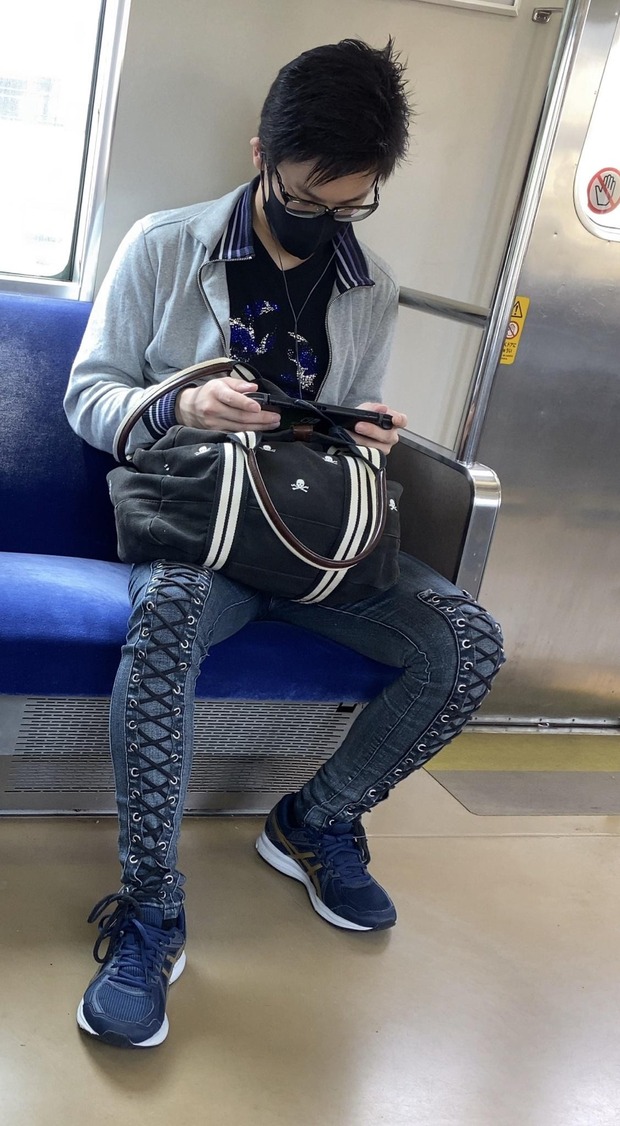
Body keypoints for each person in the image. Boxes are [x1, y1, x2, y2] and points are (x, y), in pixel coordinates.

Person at [64, 37, 505, 1049]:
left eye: (351, 205)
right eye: (306, 198)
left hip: (316, 543)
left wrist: (364, 432)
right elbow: (89, 398)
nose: (324, 220)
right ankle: (151, 909)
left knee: (466, 643)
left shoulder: (370, 283)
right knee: (167, 621)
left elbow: (338, 419)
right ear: (261, 154)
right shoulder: (165, 246)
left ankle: (315, 818)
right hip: (204, 533)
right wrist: (181, 402)